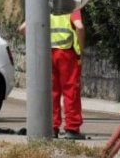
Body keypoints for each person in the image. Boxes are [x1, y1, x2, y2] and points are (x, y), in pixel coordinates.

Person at [19, 10, 86, 139]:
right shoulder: (71, 7)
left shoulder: (45, 6)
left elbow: (22, 28)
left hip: (48, 54)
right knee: (70, 90)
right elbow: (80, 26)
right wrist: (81, 48)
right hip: (67, 54)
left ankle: (52, 127)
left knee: (52, 92)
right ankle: (72, 129)